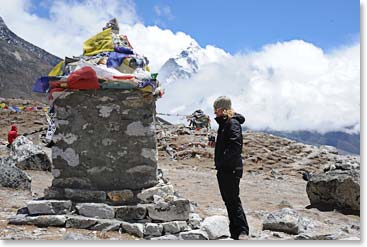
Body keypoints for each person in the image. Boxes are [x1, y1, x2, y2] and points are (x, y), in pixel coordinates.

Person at [208, 96, 249, 240]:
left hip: (230, 169)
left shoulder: (232, 123)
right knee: (229, 201)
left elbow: (235, 146)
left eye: (216, 110)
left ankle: (242, 231)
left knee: (233, 200)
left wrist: (223, 158)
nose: (215, 113)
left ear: (223, 109)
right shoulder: (225, 124)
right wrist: (216, 146)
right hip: (225, 168)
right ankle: (235, 232)